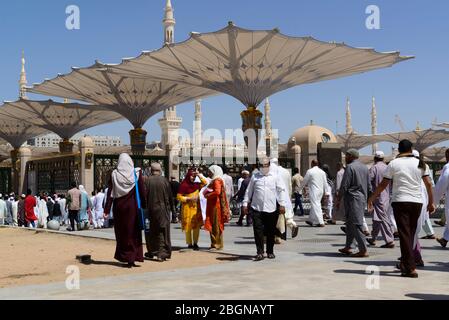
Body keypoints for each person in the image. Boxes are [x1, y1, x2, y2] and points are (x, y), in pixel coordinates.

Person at [368, 140, 435, 278]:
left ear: (399, 150)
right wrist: (431, 202)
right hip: (417, 202)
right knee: (409, 233)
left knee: (404, 233)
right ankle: (406, 263)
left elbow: (383, 184)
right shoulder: (421, 163)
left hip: (400, 202)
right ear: (411, 149)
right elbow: (428, 184)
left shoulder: (394, 163)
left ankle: (410, 268)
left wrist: (372, 197)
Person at [104, 153, 145, 268]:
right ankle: (134, 257)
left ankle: (126, 257)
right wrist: (145, 205)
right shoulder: (136, 173)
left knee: (123, 233)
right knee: (134, 232)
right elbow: (142, 190)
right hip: (133, 207)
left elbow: (110, 194)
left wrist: (107, 209)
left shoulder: (114, 174)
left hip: (120, 208)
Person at [243, 158, 287, 261]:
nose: (264, 167)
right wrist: (245, 204)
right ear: (259, 166)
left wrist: (282, 204)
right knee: (258, 231)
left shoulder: (275, 177)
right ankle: (260, 252)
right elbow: (249, 191)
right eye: (262, 165)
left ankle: (270, 251)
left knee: (270, 231)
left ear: (269, 165)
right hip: (256, 208)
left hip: (271, 208)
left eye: (266, 165)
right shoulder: (255, 177)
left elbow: (281, 191)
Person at [337, 149, 370, 258]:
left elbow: (345, 185)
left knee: (356, 224)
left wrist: (338, 199)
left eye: (346, 156)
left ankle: (363, 249)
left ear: (350, 156)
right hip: (361, 198)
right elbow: (369, 186)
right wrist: (370, 199)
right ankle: (349, 246)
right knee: (350, 223)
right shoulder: (365, 167)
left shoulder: (350, 167)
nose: (345, 158)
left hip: (353, 198)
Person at [144, 163, 175, 262]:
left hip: (151, 209)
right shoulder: (164, 181)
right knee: (163, 231)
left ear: (151, 170)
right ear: (160, 170)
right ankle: (162, 253)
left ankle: (152, 251)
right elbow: (170, 197)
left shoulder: (147, 181)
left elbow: (144, 197)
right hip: (163, 209)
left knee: (152, 231)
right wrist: (173, 211)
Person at [367, 151, 395, 248]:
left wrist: (370, 195)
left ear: (375, 158)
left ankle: (389, 240)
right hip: (387, 196)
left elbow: (369, 180)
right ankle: (373, 238)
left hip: (377, 196)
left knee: (382, 217)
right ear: (383, 159)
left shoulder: (374, 167)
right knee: (377, 217)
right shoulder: (387, 167)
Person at [177, 169, 207, 250]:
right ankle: (189, 243)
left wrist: (199, 175)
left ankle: (195, 243)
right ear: (188, 176)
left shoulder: (197, 184)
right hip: (187, 208)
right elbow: (179, 197)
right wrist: (188, 199)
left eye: (194, 176)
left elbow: (205, 183)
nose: (193, 178)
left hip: (196, 209)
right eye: (192, 176)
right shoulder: (184, 185)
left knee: (196, 227)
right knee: (188, 226)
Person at [203, 165, 230, 251]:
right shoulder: (219, 180)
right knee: (217, 224)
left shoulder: (216, 181)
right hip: (215, 205)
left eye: (210, 171)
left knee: (215, 224)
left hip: (215, 205)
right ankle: (219, 243)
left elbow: (217, 192)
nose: (209, 173)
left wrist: (207, 195)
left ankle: (216, 244)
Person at [271, 158, 299, 239]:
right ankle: (292, 225)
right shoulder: (286, 171)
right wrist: (289, 196)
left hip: (276, 197)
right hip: (285, 196)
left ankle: (277, 236)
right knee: (286, 215)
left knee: (277, 218)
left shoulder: (272, 172)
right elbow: (289, 186)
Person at [299, 160, 327, 227]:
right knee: (315, 204)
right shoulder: (322, 172)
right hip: (320, 191)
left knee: (316, 205)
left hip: (314, 191)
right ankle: (311, 220)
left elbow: (304, 181)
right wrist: (326, 192)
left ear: (312, 164)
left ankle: (321, 221)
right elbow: (325, 183)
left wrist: (299, 189)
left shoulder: (310, 171)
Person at [434, 148, 449, 248]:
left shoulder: (447, 167)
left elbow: (441, 185)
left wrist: (434, 201)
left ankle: (445, 239)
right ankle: (445, 239)